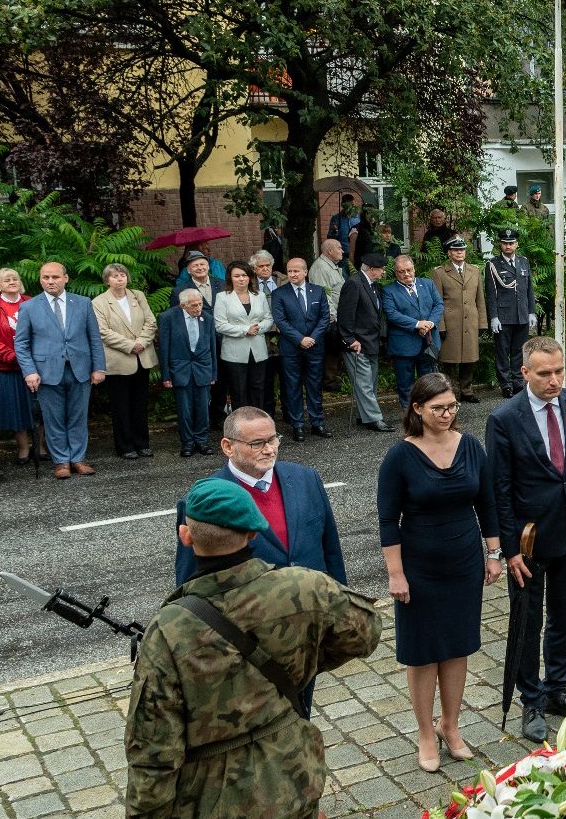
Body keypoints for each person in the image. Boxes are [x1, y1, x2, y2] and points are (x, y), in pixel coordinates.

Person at [126, 477, 380, 819]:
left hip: (210, 798)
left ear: (185, 536)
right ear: (253, 534)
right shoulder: (305, 587)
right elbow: (366, 632)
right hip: (293, 778)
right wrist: (305, 660)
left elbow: (153, 753)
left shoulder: (169, 629)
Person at [378, 373, 502, 771]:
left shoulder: (470, 446)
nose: (448, 414)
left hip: (463, 561)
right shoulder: (400, 456)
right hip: (419, 567)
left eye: (452, 406)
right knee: (422, 653)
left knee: (456, 646)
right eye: (438, 408)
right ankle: (425, 733)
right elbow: (387, 520)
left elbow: (488, 502)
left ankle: (451, 726)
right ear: (417, 409)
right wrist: (395, 574)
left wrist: (494, 552)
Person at [486, 336, 566, 744]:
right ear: (524, 373)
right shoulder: (504, 419)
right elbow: (499, 490)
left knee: (564, 616)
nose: (555, 381)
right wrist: (507, 549)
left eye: (559, 371)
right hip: (529, 540)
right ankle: (531, 700)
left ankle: (557, 689)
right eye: (544, 374)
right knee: (527, 622)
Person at [171, 408, 350, 648]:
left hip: (310, 622)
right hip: (248, 637)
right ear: (227, 446)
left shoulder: (306, 478)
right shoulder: (206, 500)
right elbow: (190, 578)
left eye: (273, 439)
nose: (269, 449)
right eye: (257, 443)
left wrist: (342, 606)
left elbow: (330, 549)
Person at [15, 261, 105, 479]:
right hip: (46, 372)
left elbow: (94, 338)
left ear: (65, 278)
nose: (50, 281)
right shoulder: (29, 307)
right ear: (40, 280)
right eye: (45, 277)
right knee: (53, 418)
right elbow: (21, 343)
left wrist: (99, 367)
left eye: (55, 277)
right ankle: (61, 462)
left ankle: (78, 458)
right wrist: (29, 371)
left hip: (80, 369)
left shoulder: (82, 303)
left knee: (78, 416)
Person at [92, 262, 158, 459]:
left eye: (122, 275)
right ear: (107, 280)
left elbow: (150, 321)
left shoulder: (138, 295)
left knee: (140, 404)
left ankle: (142, 443)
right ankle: (125, 446)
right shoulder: (99, 302)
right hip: (118, 360)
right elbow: (103, 331)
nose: (119, 279)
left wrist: (141, 342)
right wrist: (130, 345)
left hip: (142, 357)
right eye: (114, 276)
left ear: (127, 277)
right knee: (121, 406)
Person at [272, 258, 332, 442]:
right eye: (289, 271)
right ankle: (297, 424)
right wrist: (300, 339)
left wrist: (312, 338)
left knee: (314, 385)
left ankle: (317, 422)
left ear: (305, 272)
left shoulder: (318, 291)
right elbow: (280, 320)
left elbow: (324, 317)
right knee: (293, 386)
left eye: (296, 271)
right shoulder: (279, 293)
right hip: (291, 348)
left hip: (314, 346)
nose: (292, 274)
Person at [0, 268, 36, 465]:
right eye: (7, 279)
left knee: (37, 407)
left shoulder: (31, 303)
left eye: (15, 278)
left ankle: (40, 446)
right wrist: (15, 356)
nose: (12, 281)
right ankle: (24, 448)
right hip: (8, 368)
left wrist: (29, 359)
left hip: (33, 366)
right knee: (17, 410)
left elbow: (41, 332)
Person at [159, 290, 219, 457]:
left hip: (202, 368)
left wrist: (213, 373)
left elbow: (212, 346)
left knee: (202, 408)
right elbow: (164, 348)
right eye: (194, 305)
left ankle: (202, 440)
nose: (198, 308)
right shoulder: (168, 318)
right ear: (182, 305)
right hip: (180, 369)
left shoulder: (207, 318)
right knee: (184, 409)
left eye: (200, 304)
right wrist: (166, 375)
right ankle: (187, 443)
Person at [338, 254, 394, 432]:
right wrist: (350, 339)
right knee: (363, 382)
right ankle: (374, 418)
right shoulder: (354, 283)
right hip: (357, 343)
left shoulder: (372, 285)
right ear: (371, 269)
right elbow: (345, 315)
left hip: (372, 341)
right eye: (381, 269)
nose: (383, 272)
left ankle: (364, 416)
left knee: (370, 380)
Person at [382, 255, 445, 408]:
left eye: (409, 270)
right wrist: (417, 324)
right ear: (396, 273)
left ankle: (428, 409)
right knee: (405, 382)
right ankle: (409, 412)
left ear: (414, 268)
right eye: (401, 271)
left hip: (428, 342)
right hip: (404, 344)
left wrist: (429, 323)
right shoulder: (388, 290)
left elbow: (439, 305)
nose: (406, 274)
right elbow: (391, 314)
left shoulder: (428, 284)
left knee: (428, 380)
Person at [433, 238, 489, 403]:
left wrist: (482, 322)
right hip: (451, 323)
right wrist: (440, 325)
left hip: (470, 320)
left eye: (462, 250)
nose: (459, 253)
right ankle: (449, 392)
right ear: (449, 253)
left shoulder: (474, 271)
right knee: (450, 360)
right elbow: (437, 301)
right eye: (456, 250)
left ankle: (466, 390)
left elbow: (480, 299)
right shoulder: (440, 272)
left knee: (469, 358)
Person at [485, 228, 536, 399]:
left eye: (511, 243)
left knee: (519, 351)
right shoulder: (493, 264)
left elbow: (529, 290)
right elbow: (491, 294)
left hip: (521, 315)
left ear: (516, 244)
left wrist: (531, 312)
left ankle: (518, 382)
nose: (508, 246)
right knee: (502, 351)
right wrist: (493, 317)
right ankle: (506, 384)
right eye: (505, 243)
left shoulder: (523, 262)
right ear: (501, 244)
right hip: (503, 316)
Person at [215, 265, 274, 411]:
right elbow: (220, 325)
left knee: (258, 390)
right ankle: (241, 430)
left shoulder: (259, 296)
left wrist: (257, 328)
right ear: (230, 278)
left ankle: (258, 427)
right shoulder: (222, 297)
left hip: (258, 351)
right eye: (236, 276)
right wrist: (245, 330)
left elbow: (269, 318)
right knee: (238, 392)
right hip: (234, 353)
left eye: (244, 275)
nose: (241, 279)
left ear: (250, 277)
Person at [309, 239, 348, 390]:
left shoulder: (331, 266)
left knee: (334, 349)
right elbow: (324, 296)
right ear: (329, 251)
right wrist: (333, 318)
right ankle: (328, 381)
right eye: (339, 248)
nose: (342, 251)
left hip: (337, 316)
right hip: (329, 318)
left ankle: (331, 379)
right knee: (330, 349)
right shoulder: (320, 268)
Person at [250, 252, 284, 418]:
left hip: (284, 334)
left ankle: (288, 412)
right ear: (254, 269)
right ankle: (268, 413)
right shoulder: (250, 284)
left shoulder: (283, 281)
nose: (265, 269)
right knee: (266, 377)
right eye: (260, 266)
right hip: (261, 336)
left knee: (287, 376)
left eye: (267, 265)